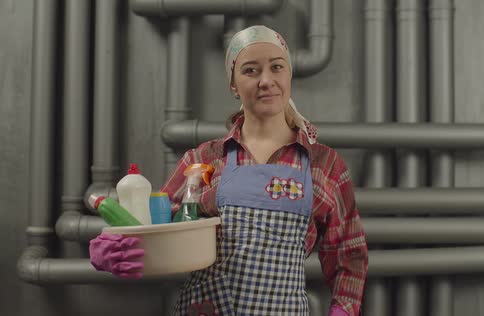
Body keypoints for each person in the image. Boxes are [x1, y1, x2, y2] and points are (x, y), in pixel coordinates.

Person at [89, 25, 368, 316]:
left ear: (289, 75)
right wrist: (111, 247)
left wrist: (343, 311)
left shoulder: (325, 166)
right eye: (250, 70)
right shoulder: (204, 161)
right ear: (233, 85)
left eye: (277, 67)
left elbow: (349, 257)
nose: (266, 80)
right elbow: (155, 229)